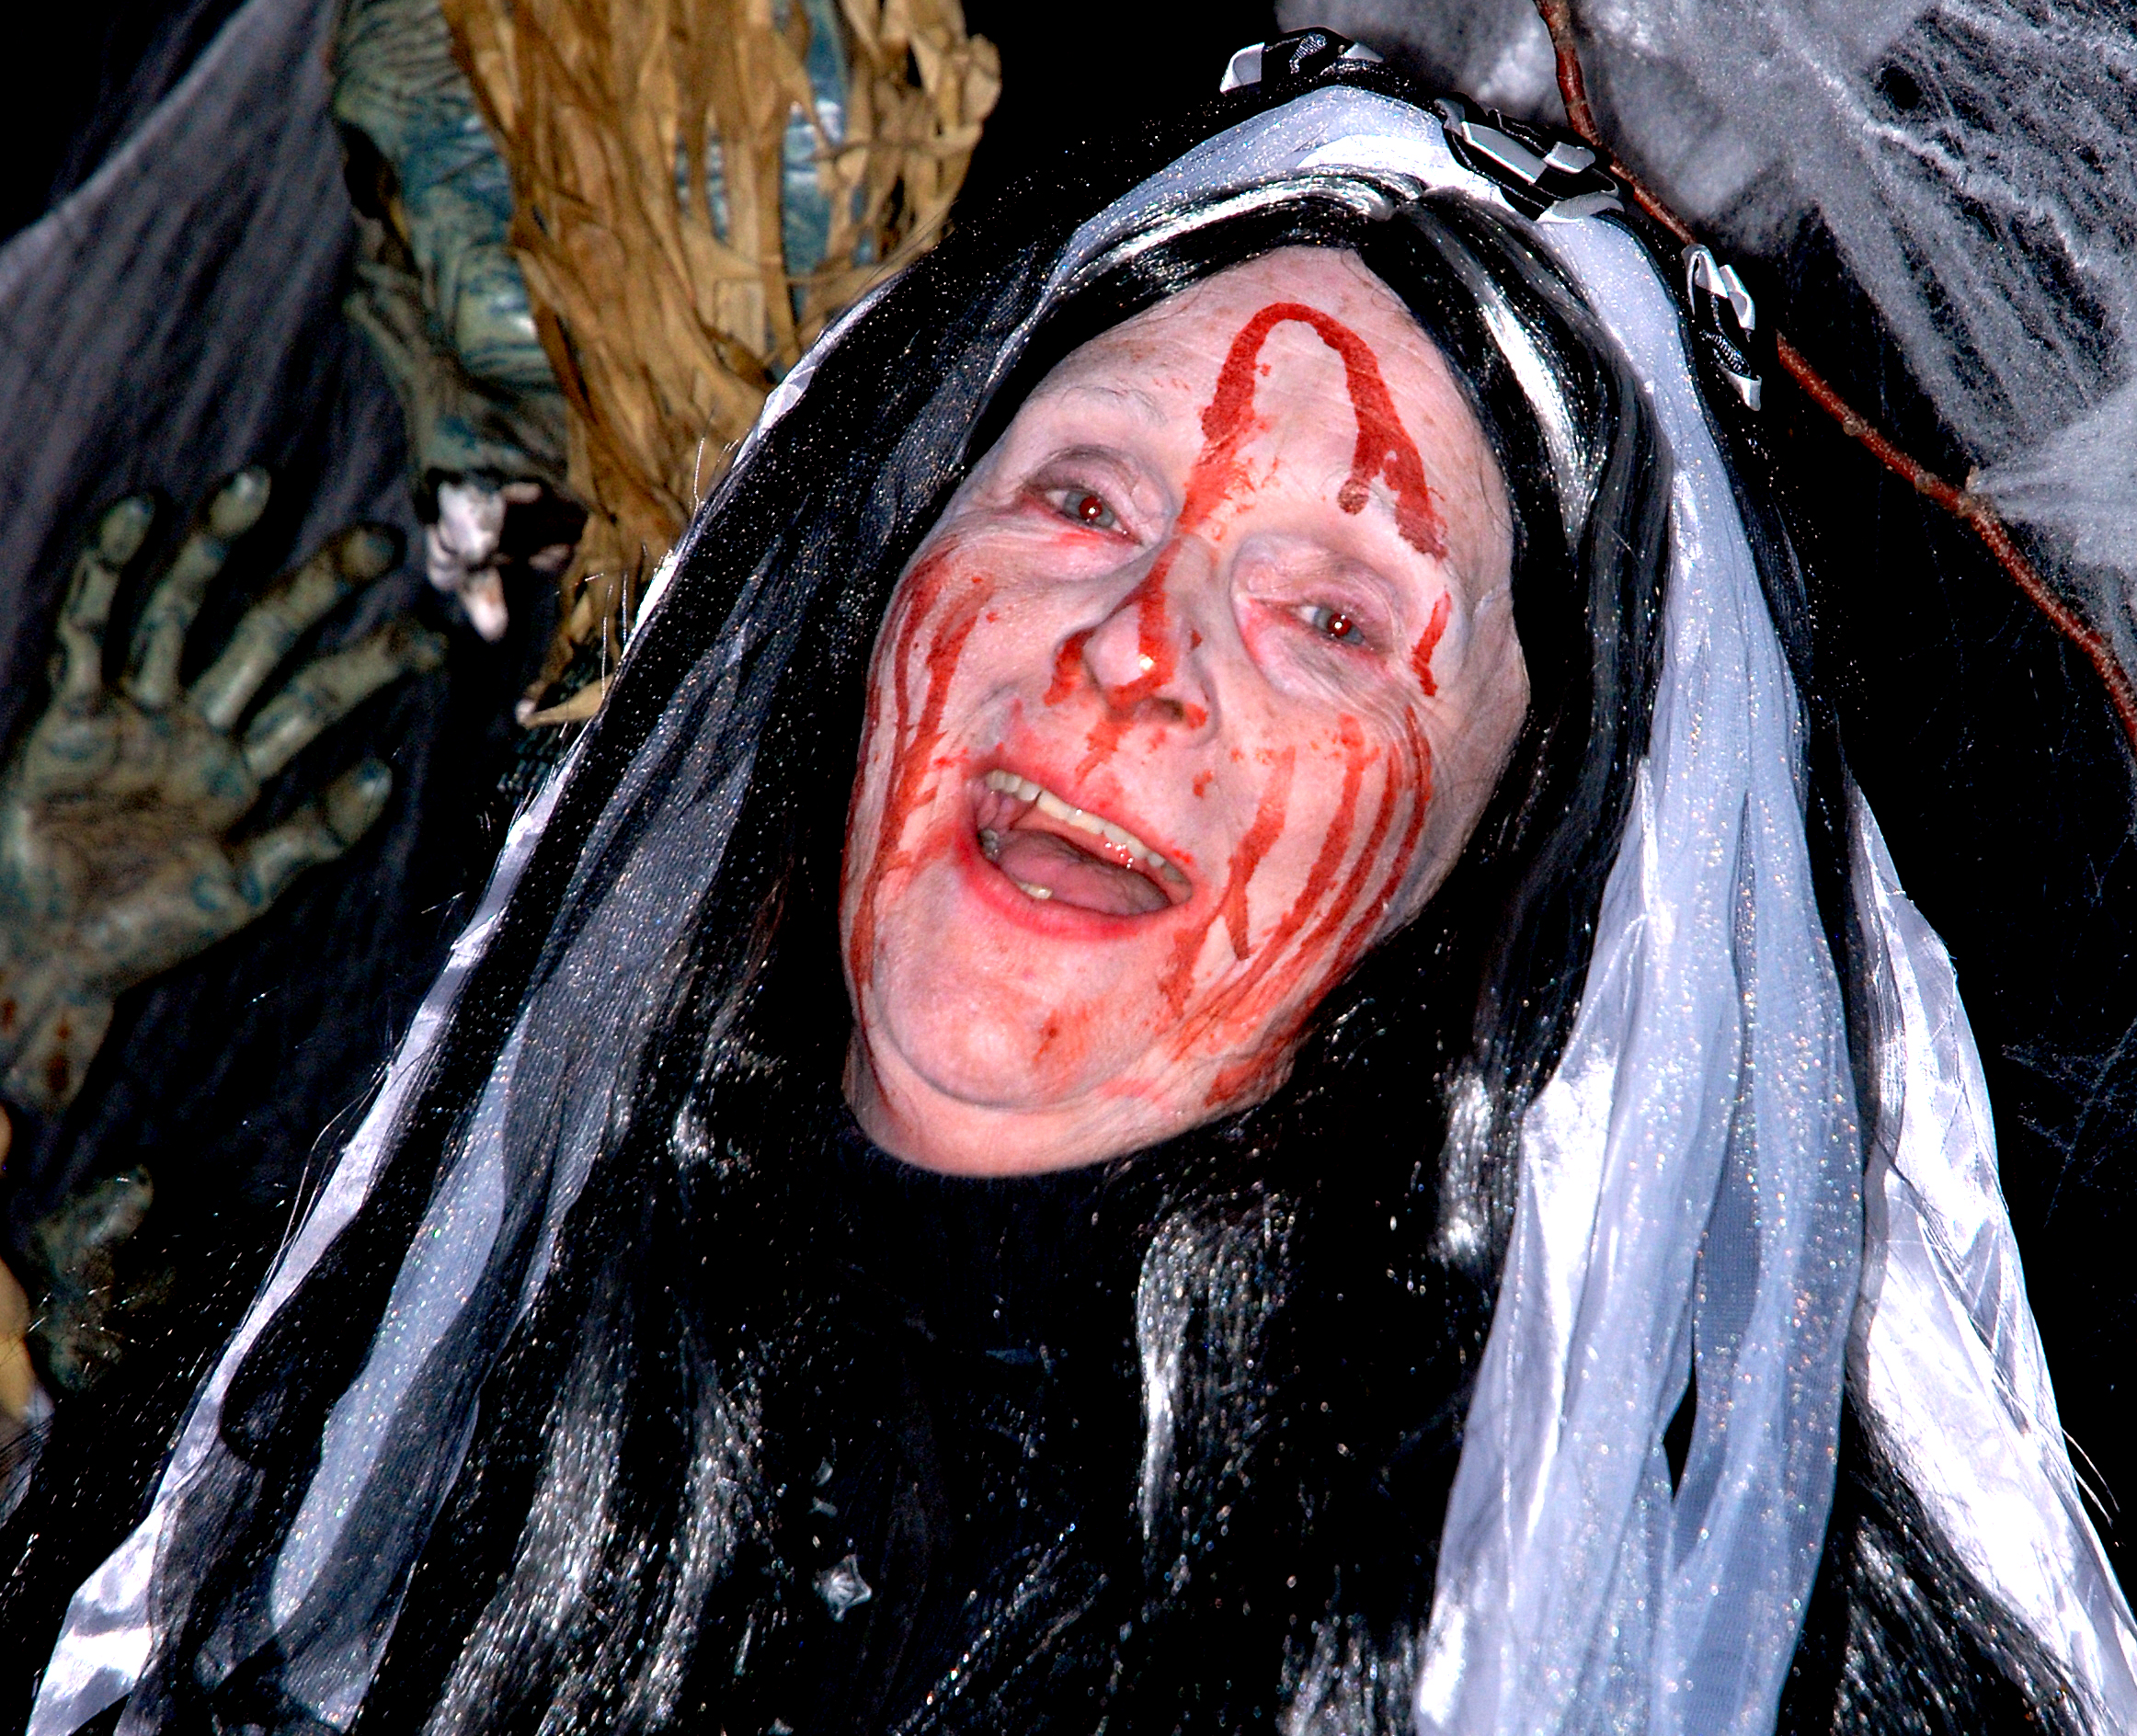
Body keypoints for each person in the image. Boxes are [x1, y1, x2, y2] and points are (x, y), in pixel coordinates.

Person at [29, 36, 2136, 1736]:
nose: (1135, 650)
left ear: (1512, 874)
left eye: (1331, 617)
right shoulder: (359, 1462)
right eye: (1079, 498)